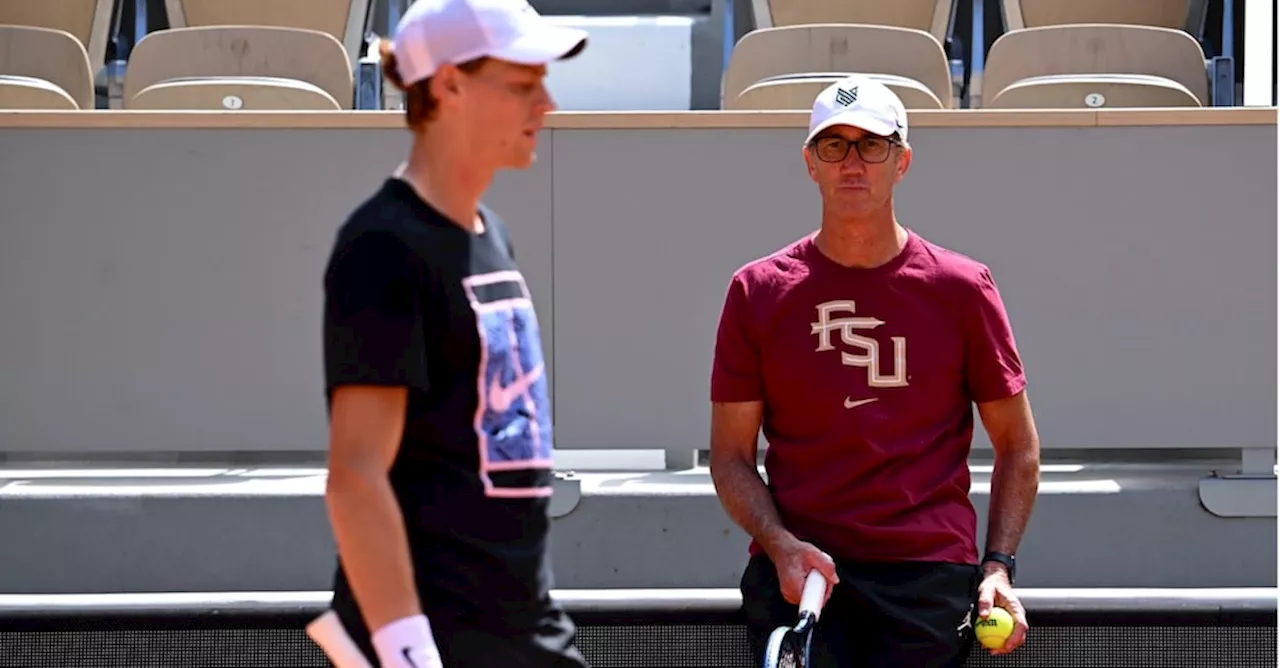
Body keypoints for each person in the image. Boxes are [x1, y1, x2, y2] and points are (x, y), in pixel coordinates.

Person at [707, 75, 1042, 668]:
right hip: (799, 577)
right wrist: (781, 546)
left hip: (927, 577)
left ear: (903, 161)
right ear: (811, 163)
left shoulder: (962, 288)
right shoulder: (756, 291)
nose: (852, 163)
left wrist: (998, 568)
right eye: (833, 145)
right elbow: (731, 457)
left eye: (872, 144)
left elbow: (1017, 446)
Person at [304, 1, 589, 667]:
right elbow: (356, 475)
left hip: (520, 629)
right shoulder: (383, 246)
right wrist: (407, 653)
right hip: (433, 639)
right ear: (449, 87)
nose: (545, 104)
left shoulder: (492, 235)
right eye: (522, 85)